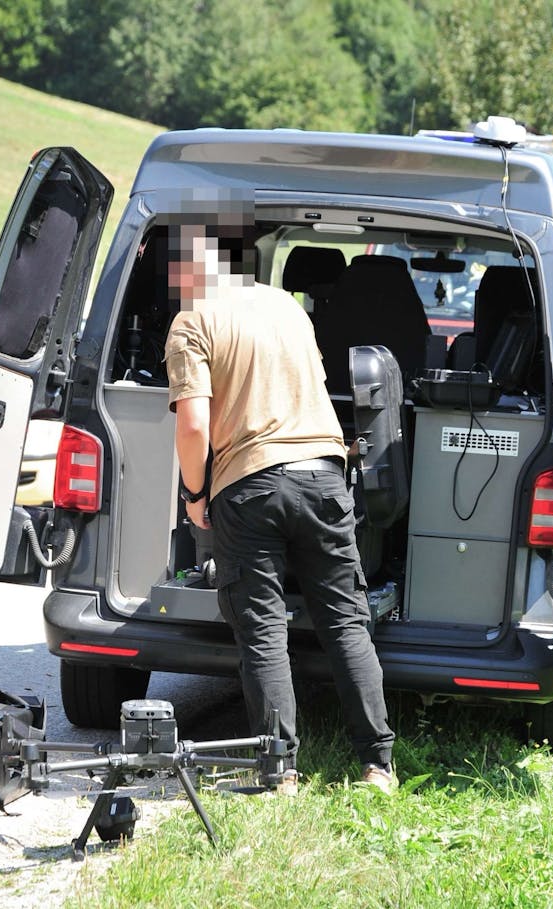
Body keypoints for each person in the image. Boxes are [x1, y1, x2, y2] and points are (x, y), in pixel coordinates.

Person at [163, 220, 396, 795]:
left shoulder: (192, 322)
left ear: (192, 272)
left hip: (249, 483)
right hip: (323, 475)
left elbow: (193, 425)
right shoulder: (289, 310)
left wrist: (195, 497)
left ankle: (279, 773)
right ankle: (378, 766)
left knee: (264, 631)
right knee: (346, 622)